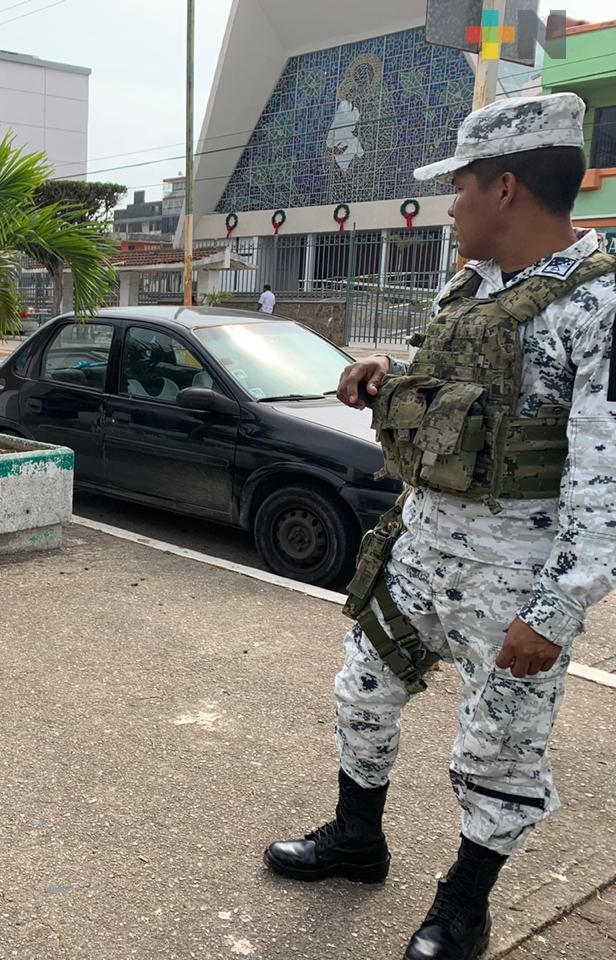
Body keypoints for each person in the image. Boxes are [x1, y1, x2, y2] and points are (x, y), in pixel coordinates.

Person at [264, 92, 615, 960]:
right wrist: (388, 370)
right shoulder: (469, 286)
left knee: (499, 749)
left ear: (506, 189)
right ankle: (357, 841)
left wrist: (555, 611)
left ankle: (464, 906)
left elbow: (606, 485)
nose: (449, 205)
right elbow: (461, 384)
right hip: (419, 549)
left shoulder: (598, 308)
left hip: (515, 576)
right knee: (361, 692)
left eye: (459, 186)